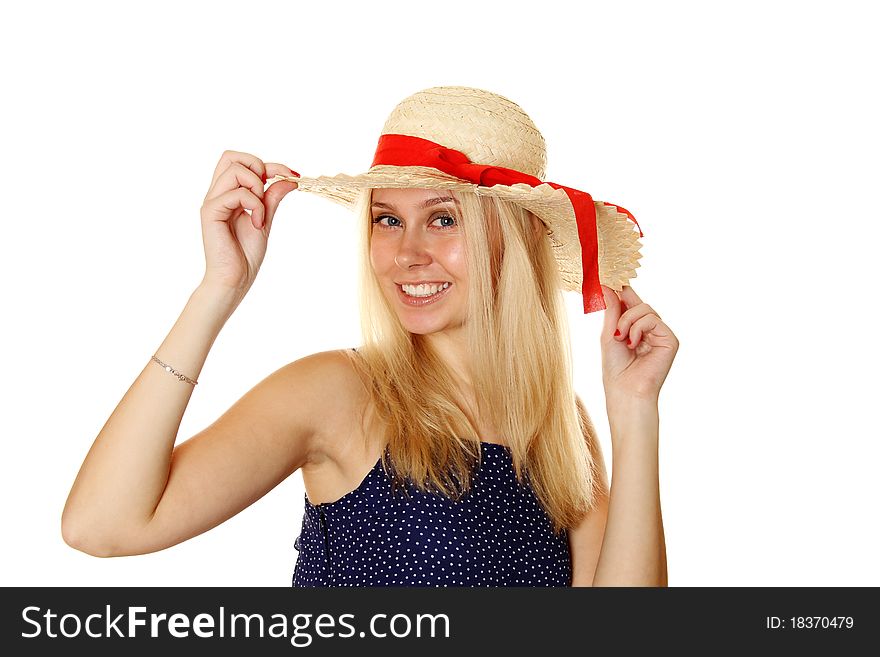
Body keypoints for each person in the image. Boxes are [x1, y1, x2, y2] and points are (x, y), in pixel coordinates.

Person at [62, 86, 679, 587]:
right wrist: (217, 291)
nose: (407, 254)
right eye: (388, 220)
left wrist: (634, 414)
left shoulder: (559, 426)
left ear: (511, 241)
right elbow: (102, 525)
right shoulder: (341, 393)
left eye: (442, 219)